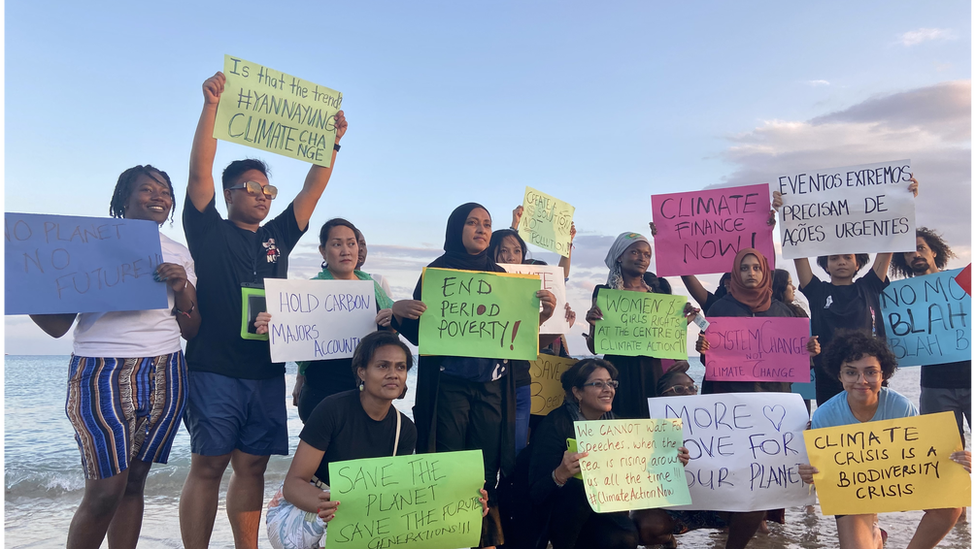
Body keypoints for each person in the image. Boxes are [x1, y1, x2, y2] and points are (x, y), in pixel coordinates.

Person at [179, 71, 347, 549]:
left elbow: (313, 189)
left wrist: (331, 144)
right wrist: (211, 106)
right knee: (208, 464)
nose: (262, 195)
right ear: (230, 193)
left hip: (265, 369)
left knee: (252, 465)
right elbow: (198, 173)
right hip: (214, 367)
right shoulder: (208, 228)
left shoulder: (278, 236)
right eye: (252, 187)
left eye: (268, 191)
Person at [30, 165, 199, 549]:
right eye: (147, 190)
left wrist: (183, 287)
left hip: (166, 370)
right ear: (124, 199)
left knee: (135, 483)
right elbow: (56, 325)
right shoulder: (90, 247)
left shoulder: (179, 253)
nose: (159, 196)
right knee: (106, 490)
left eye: (165, 191)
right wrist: (21, 286)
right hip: (99, 370)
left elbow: (191, 327)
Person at [391, 203, 556, 547]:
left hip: (494, 389)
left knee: (486, 468)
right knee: (449, 465)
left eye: (486, 224)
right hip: (449, 387)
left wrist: (544, 315)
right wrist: (399, 312)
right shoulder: (435, 273)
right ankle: (447, 537)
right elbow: (424, 334)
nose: (481, 229)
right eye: (472, 223)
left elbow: (515, 337)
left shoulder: (504, 278)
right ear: (456, 228)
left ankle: (486, 538)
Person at [798, 331, 972, 549]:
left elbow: (924, 457)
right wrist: (810, 475)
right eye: (851, 373)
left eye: (870, 372)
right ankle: (873, 530)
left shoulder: (901, 407)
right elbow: (826, 475)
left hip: (899, 483)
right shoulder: (825, 415)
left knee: (951, 505)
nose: (861, 381)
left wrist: (958, 461)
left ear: (883, 375)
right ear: (839, 376)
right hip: (854, 493)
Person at [694, 248, 820, 547]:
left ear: (766, 273)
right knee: (731, 473)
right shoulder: (720, 310)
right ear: (735, 274)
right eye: (745, 268)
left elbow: (797, 363)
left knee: (765, 475)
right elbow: (711, 362)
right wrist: (703, 350)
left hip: (773, 406)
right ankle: (733, 530)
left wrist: (810, 353)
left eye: (756, 268)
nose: (751, 273)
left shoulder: (784, 311)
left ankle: (751, 531)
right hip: (730, 405)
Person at [772, 179, 917, 405]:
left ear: (857, 263)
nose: (841, 262)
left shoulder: (869, 285)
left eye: (847, 257)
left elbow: (888, 244)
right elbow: (798, 249)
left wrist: (904, 204)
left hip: (869, 373)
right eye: (834, 258)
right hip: (829, 375)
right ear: (825, 264)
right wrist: (786, 214)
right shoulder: (817, 290)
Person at [264, 332, 414, 548]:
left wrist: (466, 502)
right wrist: (330, 505)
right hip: (306, 511)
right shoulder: (332, 410)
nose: (393, 374)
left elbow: (393, 494)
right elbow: (293, 485)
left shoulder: (405, 429)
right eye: (383, 366)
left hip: (360, 514)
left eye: (400, 367)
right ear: (362, 372)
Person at [528, 359, 691, 549]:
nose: (608, 389)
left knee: (625, 538)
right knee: (578, 490)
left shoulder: (617, 426)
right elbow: (535, 494)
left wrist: (672, 462)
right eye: (598, 384)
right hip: (560, 515)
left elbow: (640, 474)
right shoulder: (555, 425)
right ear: (577, 392)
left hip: (600, 511)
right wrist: (560, 474)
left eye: (611, 383)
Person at [257, 219, 395, 421]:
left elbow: (391, 337)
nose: (346, 251)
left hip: (366, 394)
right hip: (322, 392)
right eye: (337, 244)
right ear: (323, 251)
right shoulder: (306, 293)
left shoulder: (373, 286)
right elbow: (293, 339)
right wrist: (271, 324)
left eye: (351, 243)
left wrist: (394, 321)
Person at [488, 228, 576, 454]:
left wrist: (560, 324)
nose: (510, 256)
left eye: (517, 251)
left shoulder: (536, 292)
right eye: (504, 251)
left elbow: (529, 342)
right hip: (492, 380)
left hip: (522, 378)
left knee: (521, 446)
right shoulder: (485, 290)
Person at [585, 232, 690, 418]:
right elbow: (594, 348)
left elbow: (667, 337)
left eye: (647, 254)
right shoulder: (605, 293)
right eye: (635, 252)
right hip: (618, 371)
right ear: (619, 256)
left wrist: (680, 349)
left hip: (652, 370)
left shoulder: (660, 292)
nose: (642, 258)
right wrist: (593, 325)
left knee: (653, 425)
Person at [889, 227, 972, 443]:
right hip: (935, 385)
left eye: (920, 248)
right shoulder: (897, 297)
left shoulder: (961, 281)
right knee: (944, 451)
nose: (915, 254)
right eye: (908, 252)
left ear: (933, 251)